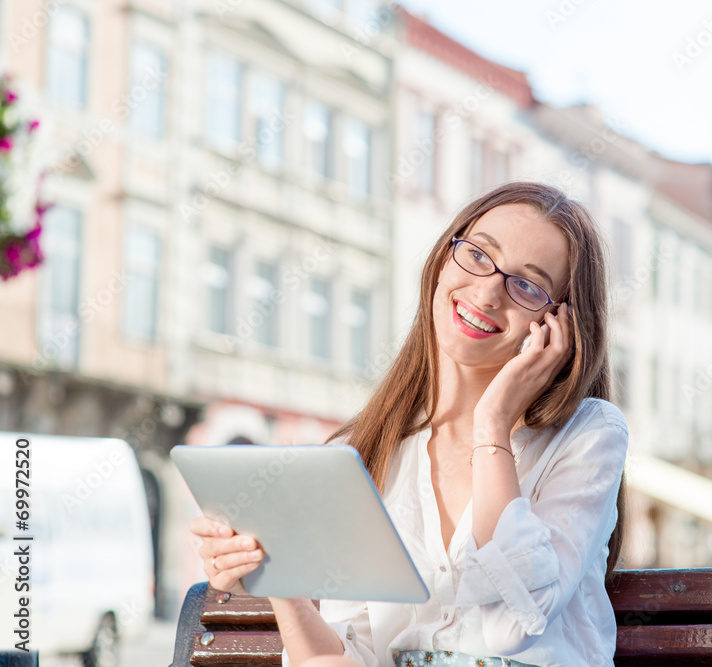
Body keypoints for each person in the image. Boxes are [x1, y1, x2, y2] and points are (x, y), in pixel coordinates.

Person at [190, 182, 629, 667]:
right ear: (445, 259)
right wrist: (284, 582)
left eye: (526, 285)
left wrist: (493, 425)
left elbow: (512, 627)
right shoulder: (371, 448)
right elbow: (353, 656)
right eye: (479, 255)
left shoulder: (589, 435)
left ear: (557, 324)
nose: (486, 293)